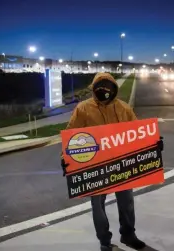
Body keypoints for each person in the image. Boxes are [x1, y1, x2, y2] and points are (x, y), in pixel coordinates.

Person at [61, 72, 164, 251]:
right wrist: (66, 158)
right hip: (96, 168)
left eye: (108, 87)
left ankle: (129, 235)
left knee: (127, 203)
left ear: (114, 88)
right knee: (97, 206)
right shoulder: (83, 109)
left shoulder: (124, 108)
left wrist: (152, 145)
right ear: (93, 88)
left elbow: (137, 132)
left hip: (122, 165)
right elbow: (73, 135)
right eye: (100, 86)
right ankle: (105, 242)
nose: (104, 90)